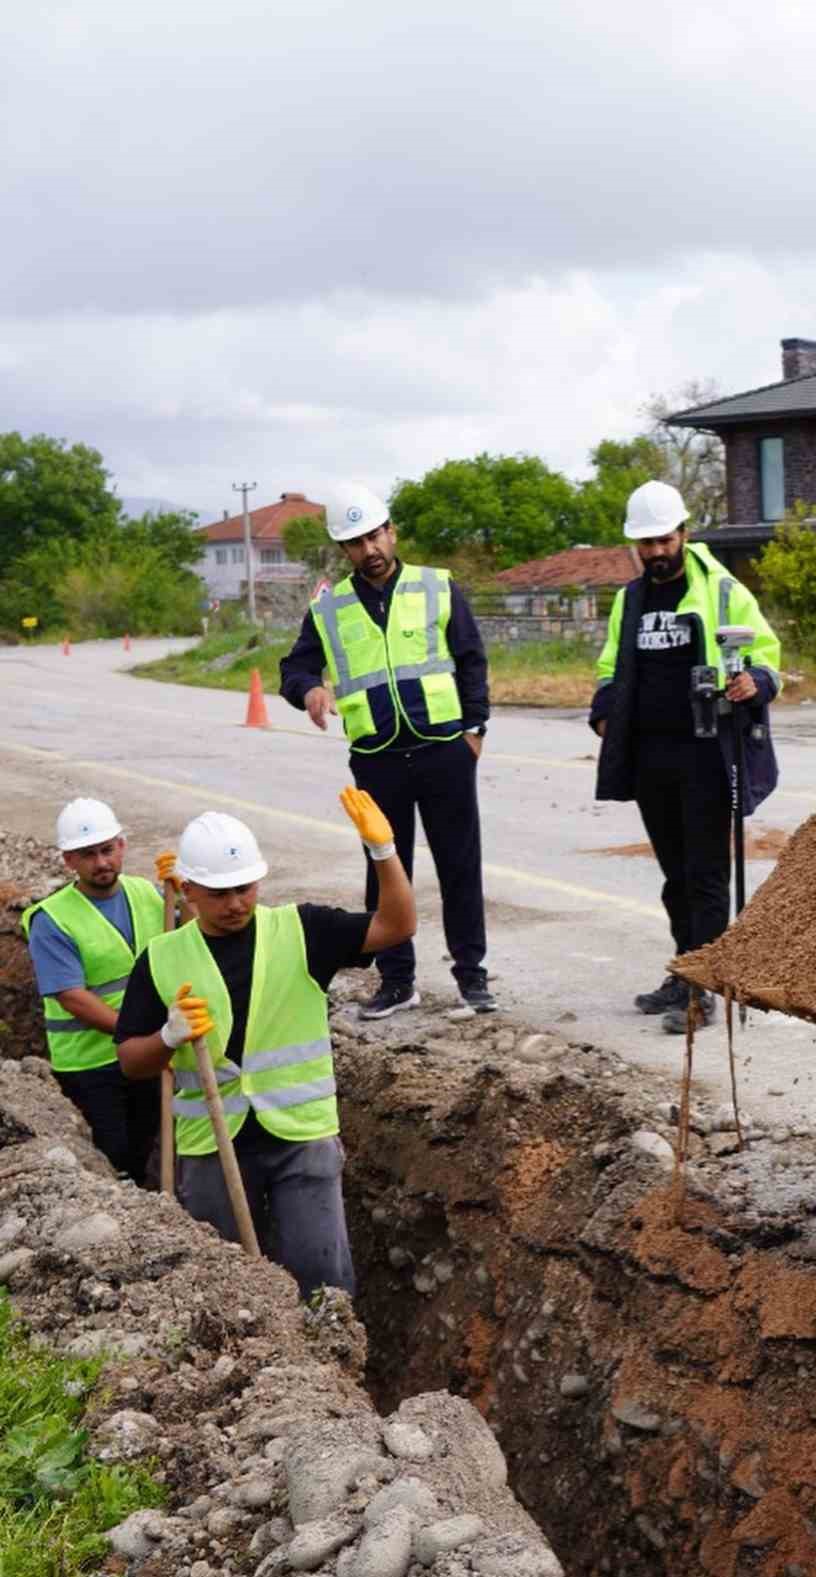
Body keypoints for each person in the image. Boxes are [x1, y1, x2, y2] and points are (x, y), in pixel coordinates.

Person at [115, 791, 415, 1300]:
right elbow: (130, 1062)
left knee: (324, 1283)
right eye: (219, 892)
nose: (235, 904)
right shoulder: (162, 958)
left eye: (245, 888)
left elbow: (396, 925)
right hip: (214, 1141)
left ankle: (325, 1369)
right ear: (188, 890)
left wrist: (383, 853)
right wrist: (168, 1037)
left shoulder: (303, 930)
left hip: (302, 1138)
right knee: (224, 1287)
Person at [279, 481, 493, 1020]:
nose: (368, 549)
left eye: (375, 536)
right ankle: (397, 982)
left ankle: (472, 979)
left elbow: (471, 658)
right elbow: (295, 667)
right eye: (355, 542)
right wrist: (309, 689)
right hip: (376, 758)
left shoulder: (436, 586)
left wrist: (476, 729)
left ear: (391, 533)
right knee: (384, 870)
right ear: (344, 550)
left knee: (459, 866)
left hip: (444, 749)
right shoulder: (330, 609)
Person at [589, 481, 782, 1034]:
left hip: (706, 754)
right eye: (644, 543)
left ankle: (703, 988)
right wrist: (604, 715)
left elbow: (765, 656)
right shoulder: (631, 598)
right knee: (675, 876)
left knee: (705, 875)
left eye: (663, 539)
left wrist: (755, 683)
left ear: (683, 534)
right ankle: (683, 971)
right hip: (651, 757)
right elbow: (609, 667)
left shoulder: (723, 590)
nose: (654, 552)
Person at [21, 798, 168, 1184]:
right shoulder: (52, 920)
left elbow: (187, 936)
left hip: (148, 1054)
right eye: (88, 854)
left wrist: (185, 894)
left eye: (107, 850)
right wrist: (140, 1035)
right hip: (92, 1067)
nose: (101, 862)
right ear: (69, 860)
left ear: (121, 846)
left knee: (158, 1148)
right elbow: (72, 997)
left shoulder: (147, 894)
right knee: (118, 1162)